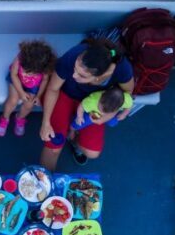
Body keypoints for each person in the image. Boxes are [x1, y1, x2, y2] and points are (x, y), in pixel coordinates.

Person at [38, 38, 135, 170]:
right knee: (54, 147)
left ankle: (73, 139)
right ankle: (46, 182)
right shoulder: (73, 56)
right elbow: (53, 88)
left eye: (82, 76)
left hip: (95, 104)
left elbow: (127, 92)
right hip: (64, 95)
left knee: (92, 153)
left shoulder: (122, 69)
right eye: (74, 69)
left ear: (98, 77)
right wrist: (46, 122)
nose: (73, 76)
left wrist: (107, 115)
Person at [0, 40, 56, 137]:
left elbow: (44, 81)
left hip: (32, 85)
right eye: (25, 70)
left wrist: (38, 96)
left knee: (29, 104)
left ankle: (20, 118)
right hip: (16, 79)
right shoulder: (21, 57)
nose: (27, 74)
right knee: (13, 100)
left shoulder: (44, 68)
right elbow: (14, 74)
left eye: (31, 73)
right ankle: (5, 118)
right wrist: (21, 92)